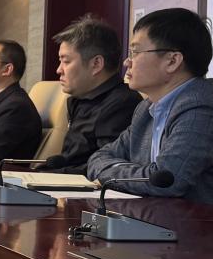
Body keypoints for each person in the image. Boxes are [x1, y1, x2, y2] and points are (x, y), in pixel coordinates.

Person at [87, 8, 213, 205]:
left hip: (200, 222)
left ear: (172, 61)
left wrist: (110, 172)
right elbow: (99, 157)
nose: (127, 62)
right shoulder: (146, 109)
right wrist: (125, 171)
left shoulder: (201, 109)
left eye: (135, 52)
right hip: (152, 217)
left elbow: (165, 181)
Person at [38, 15, 141, 174]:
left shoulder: (122, 104)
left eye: (66, 61)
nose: (59, 70)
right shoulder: (77, 99)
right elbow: (70, 159)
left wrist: (48, 176)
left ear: (96, 64)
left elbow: (106, 167)